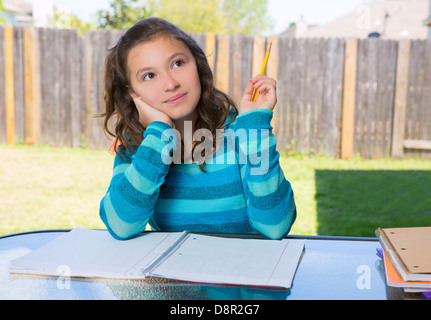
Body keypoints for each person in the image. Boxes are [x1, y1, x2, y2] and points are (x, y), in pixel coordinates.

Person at [99, 17, 296, 240]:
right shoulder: (140, 143)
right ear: (131, 93)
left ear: (198, 63)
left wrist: (255, 125)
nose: (171, 84)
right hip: (173, 273)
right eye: (149, 76)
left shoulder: (242, 134)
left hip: (241, 270)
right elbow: (121, 225)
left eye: (178, 63)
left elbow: (276, 225)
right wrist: (159, 133)